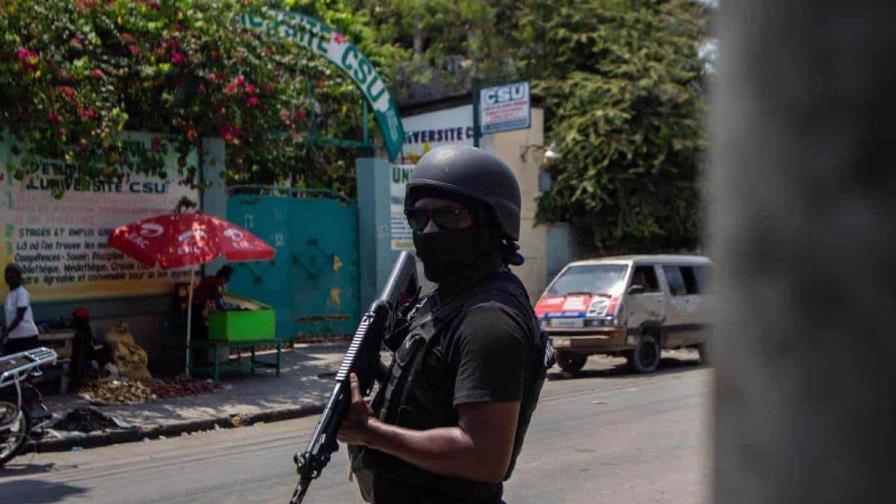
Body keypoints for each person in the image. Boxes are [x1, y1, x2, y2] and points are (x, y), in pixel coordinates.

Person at [339, 145, 553, 504]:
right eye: (418, 218)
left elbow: (483, 456)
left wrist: (371, 433)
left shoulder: (489, 319)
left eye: (449, 216)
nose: (429, 229)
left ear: (491, 222)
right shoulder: (447, 300)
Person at [2, 264, 40, 355]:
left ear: (19, 278)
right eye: (8, 275)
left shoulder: (21, 293)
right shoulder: (10, 295)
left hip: (26, 336)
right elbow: (10, 317)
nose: (9, 277)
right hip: (14, 336)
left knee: (27, 366)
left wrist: (5, 333)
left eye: (13, 275)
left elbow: (19, 316)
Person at [190, 265, 233, 339]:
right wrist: (222, 309)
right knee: (199, 332)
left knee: (199, 330)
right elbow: (216, 299)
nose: (223, 284)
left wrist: (222, 303)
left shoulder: (210, 279)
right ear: (222, 278)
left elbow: (217, 297)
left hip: (196, 306)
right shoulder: (213, 283)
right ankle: (199, 348)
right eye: (224, 281)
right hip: (196, 307)